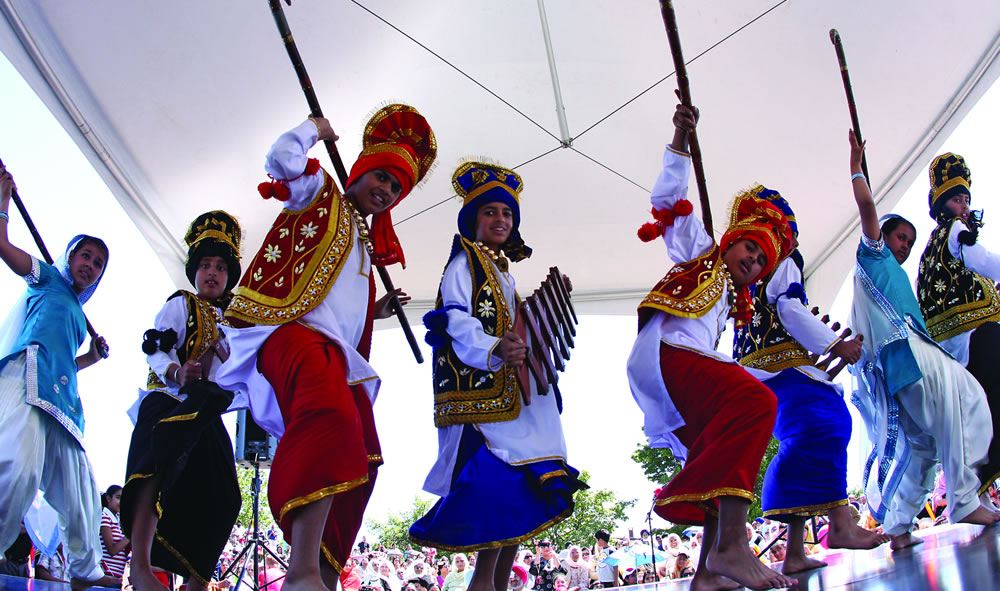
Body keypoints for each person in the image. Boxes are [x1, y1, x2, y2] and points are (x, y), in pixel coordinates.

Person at [216, 105, 436, 591]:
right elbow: (281, 158)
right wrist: (313, 130)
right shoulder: (320, 194)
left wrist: (374, 314)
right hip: (286, 331)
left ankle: (327, 574)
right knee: (331, 417)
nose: (387, 190)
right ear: (358, 171)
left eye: (397, 187)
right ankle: (301, 572)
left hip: (332, 349)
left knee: (363, 455)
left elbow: (341, 309)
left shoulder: (362, 239)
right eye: (381, 176)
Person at [626, 99, 796, 591]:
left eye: (762, 259)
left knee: (712, 452)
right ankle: (732, 548)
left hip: (681, 367)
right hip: (667, 351)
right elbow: (669, 195)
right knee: (756, 400)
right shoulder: (701, 251)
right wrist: (679, 138)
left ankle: (706, 573)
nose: (753, 259)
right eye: (749, 246)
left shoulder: (732, 305)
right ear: (730, 240)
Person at [408, 161, 585, 591]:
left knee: (521, 490)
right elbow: (453, 318)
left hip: (518, 403)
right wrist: (494, 348)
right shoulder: (464, 263)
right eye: (490, 212)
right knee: (499, 485)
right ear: (473, 219)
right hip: (486, 401)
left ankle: (497, 583)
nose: (500, 220)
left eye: (507, 214)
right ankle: (483, 583)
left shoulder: (502, 272)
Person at [846, 130, 1000, 551]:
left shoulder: (902, 275)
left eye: (909, 244)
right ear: (883, 237)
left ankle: (897, 526)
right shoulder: (874, 256)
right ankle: (966, 500)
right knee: (965, 393)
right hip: (907, 353)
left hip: (905, 363)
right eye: (900, 238)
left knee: (924, 447)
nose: (905, 247)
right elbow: (867, 209)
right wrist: (857, 168)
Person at [732, 186, 892, 573]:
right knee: (827, 423)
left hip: (754, 372)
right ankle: (840, 525)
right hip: (781, 368)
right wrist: (836, 344)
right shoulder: (784, 258)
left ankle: (795, 554)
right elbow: (789, 309)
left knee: (805, 435)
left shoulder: (747, 270)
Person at [0, 163, 111, 586]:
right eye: (85, 255)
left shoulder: (81, 319)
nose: (91, 265)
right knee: (20, 471)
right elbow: (2, 244)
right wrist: (4, 201)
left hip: (64, 400)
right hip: (27, 382)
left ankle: (85, 572)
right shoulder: (45, 278)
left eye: (99, 263)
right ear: (70, 256)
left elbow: (69, 363)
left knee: (82, 491)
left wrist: (92, 359)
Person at [121, 211, 244, 591]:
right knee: (154, 469)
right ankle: (140, 569)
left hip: (206, 414)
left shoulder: (236, 321)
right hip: (168, 402)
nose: (212, 272)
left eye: (220, 266)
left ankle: (197, 581)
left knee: (225, 494)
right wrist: (178, 372)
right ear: (194, 270)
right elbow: (156, 348)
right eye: (205, 264)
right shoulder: (181, 304)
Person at [916, 152, 1000, 505]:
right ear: (941, 205)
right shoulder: (956, 231)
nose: (963, 206)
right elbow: (980, 260)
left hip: (952, 347)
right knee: (990, 407)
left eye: (966, 198)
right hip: (977, 335)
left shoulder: (930, 248)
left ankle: (976, 493)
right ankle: (977, 489)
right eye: (956, 198)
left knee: (973, 414)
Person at [100, 485, 130, 581]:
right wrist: (129, 535)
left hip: (115, 576)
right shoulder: (104, 517)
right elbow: (112, 550)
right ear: (108, 498)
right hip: (106, 575)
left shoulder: (118, 521)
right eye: (118, 498)